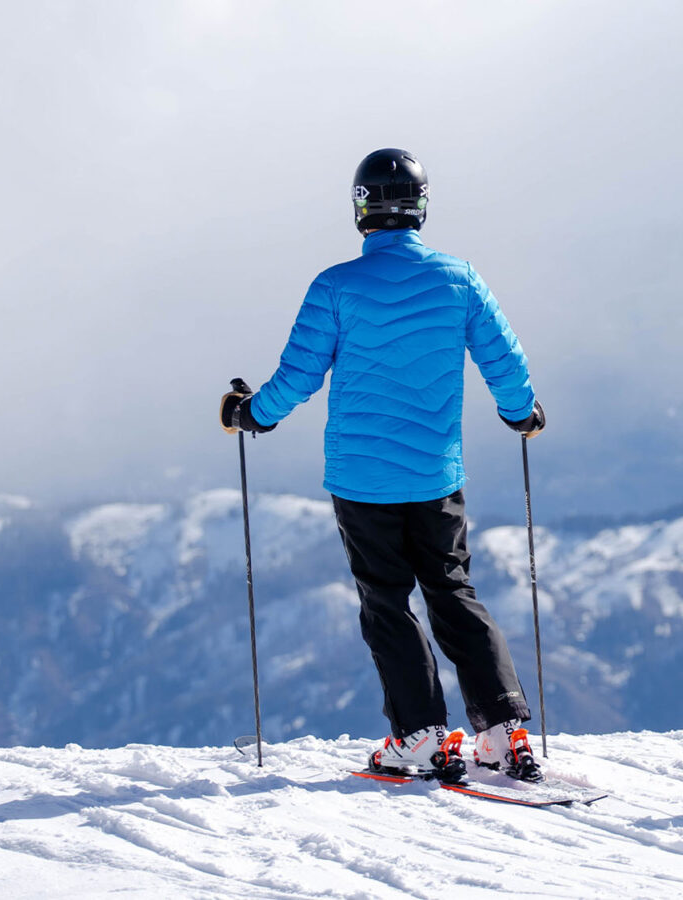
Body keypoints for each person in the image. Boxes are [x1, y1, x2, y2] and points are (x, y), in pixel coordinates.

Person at [219, 148, 547, 783]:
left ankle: (421, 738)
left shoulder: (336, 286)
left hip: (363, 480)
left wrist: (250, 414)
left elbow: (298, 377)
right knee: (454, 592)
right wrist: (521, 414)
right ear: (421, 208)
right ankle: (504, 733)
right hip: (436, 475)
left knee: (386, 603)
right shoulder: (460, 279)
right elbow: (503, 362)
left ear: (361, 210)